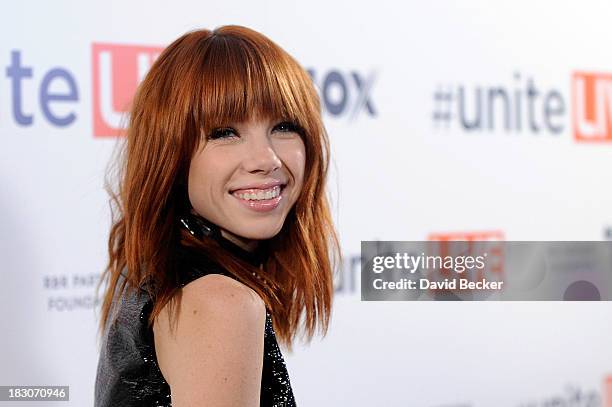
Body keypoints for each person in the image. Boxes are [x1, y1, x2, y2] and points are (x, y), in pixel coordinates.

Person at [93, 25, 341, 406]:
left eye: (284, 126)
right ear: (171, 153)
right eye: (225, 132)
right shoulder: (220, 303)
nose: (267, 160)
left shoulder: (157, 272)